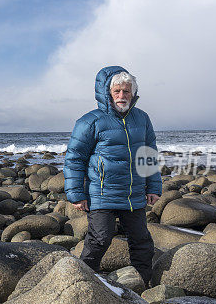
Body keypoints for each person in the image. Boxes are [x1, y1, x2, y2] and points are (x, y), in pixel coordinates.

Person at [63, 65, 162, 285]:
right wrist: (76, 194)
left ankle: (144, 284)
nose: (121, 96)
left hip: (133, 194)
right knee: (100, 239)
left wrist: (153, 188)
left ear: (133, 93)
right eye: (116, 91)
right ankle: (84, 283)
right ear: (107, 92)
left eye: (126, 91)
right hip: (101, 193)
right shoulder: (90, 121)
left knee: (142, 242)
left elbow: (148, 154)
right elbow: (74, 158)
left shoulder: (142, 118)